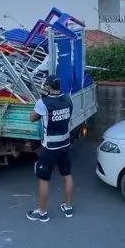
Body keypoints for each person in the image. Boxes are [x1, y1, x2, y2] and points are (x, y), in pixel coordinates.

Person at [26, 75, 75, 222]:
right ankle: (68, 207)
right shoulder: (68, 99)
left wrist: (38, 105)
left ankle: (42, 213)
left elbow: (32, 118)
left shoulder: (43, 102)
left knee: (43, 179)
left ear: (48, 86)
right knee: (67, 175)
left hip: (49, 148)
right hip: (65, 144)